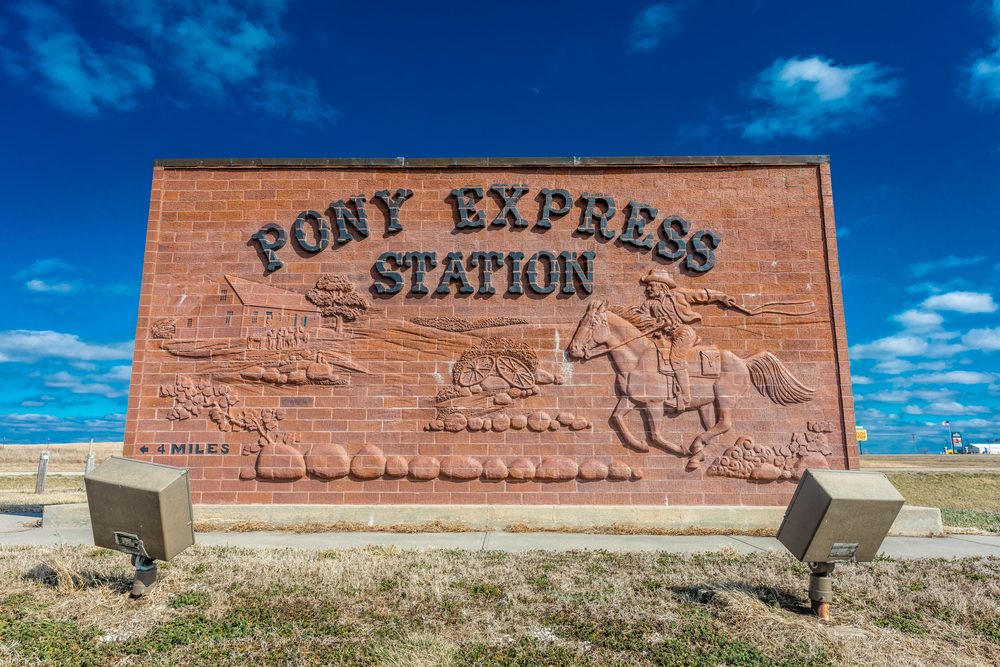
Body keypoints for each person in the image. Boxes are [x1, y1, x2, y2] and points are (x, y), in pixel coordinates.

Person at [630, 270, 738, 411]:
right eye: (648, 286)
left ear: (661, 286)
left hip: (682, 332)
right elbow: (642, 320)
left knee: (676, 358)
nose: (648, 289)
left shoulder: (677, 295)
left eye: (651, 286)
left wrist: (722, 297)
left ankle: (685, 397)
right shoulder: (648, 304)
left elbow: (702, 294)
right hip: (662, 336)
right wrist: (656, 323)